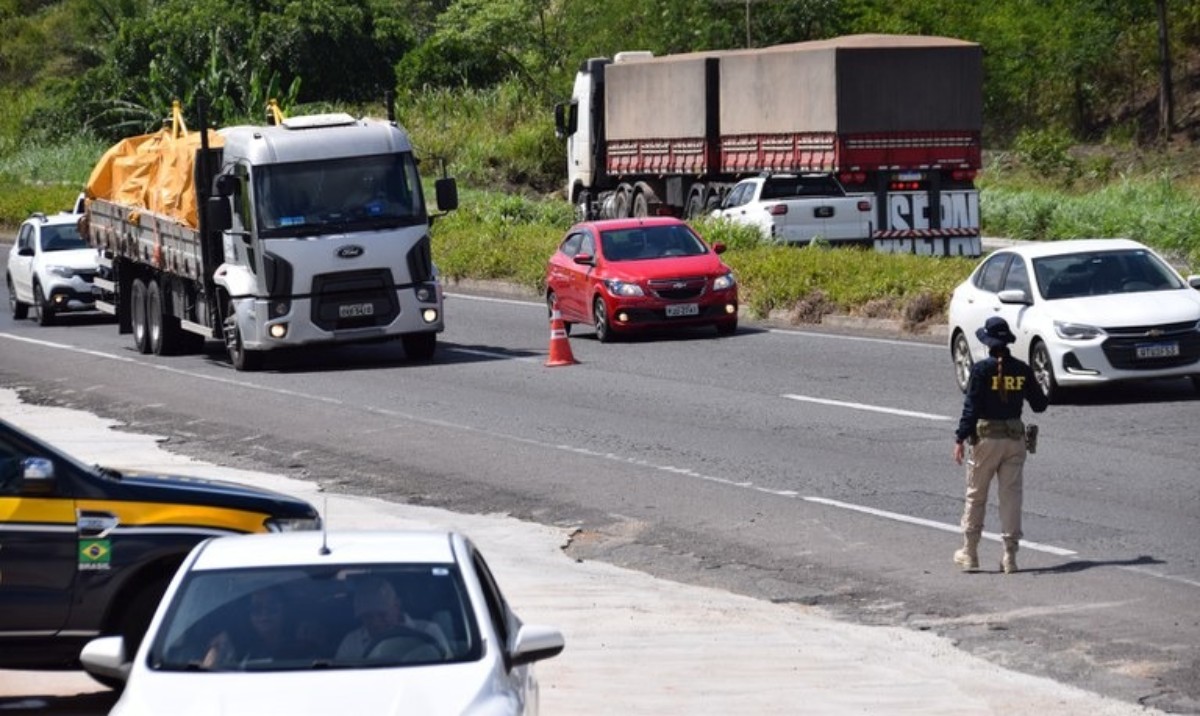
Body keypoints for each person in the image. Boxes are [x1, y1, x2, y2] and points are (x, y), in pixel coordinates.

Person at [952, 316, 1048, 574]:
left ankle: (970, 553)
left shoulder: (981, 370)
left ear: (988, 342)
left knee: (976, 495)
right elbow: (1040, 404)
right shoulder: (1022, 369)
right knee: (1011, 497)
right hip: (1015, 441)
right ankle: (1010, 556)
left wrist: (960, 438)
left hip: (986, 442)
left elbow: (970, 408)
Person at [335, 577, 450, 660]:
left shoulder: (428, 631)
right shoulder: (352, 642)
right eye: (368, 617)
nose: (376, 623)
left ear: (397, 606)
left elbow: (448, 668)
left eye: (382, 615)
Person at [202, 585, 317, 667]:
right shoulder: (232, 643)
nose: (264, 615)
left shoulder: (304, 639)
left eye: (272, 608)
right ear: (248, 614)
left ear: (285, 611)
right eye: (257, 609)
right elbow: (205, 675)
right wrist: (216, 650)